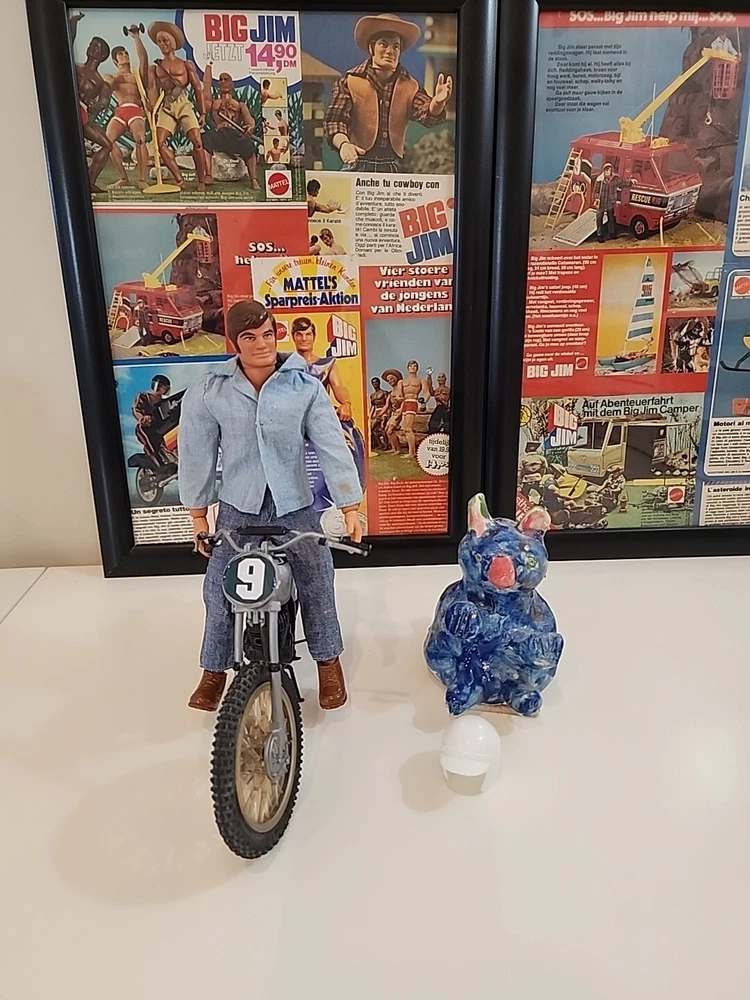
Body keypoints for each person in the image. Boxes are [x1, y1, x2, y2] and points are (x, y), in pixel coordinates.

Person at [179, 301, 363, 713]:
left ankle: (328, 662)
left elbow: (331, 445)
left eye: (267, 334)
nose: (261, 344)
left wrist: (349, 504)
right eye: (249, 337)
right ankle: (214, 669)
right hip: (237, 507)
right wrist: (198, 514)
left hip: (294, 505)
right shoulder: (211, 390)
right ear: (234, 342)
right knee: (218, 587)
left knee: (317, 577)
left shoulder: (305, 387)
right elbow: (196, 452)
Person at [324, 13, 453, 172]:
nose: (390, 51)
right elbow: (335, 121)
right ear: (372, 48)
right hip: (358, 163)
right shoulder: (350, 82)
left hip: (390, 167)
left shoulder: (409, 86)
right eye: (383, 44)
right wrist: (344, 144)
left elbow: (426, 113)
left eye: (396, 46)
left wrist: (437, 103)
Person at [147, 20, 206, 190]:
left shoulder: (185, 64)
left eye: (165, 40)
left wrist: (202, 112)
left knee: (197, 142)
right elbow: (152, 88)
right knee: (159, 143)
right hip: (166, 106)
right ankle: (179, 180)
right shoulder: (155, 67)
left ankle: (201, 181)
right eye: (159, 41)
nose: (162, 44)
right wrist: (153, 107)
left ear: (173, 42)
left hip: (183, 104)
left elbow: (197, 88)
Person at [69, 12, 113, 193]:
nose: (92, 48)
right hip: (68, 110)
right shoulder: (74, 66)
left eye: (97, 47)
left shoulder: (102, 82)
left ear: (102, 55)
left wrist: (98, 105)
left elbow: (103, 101)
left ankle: (90, 182)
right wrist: (74, 21)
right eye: (91, 44)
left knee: (107, 145)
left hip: (82, 114)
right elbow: (68, 41)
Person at [103, 29, 149, 190]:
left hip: (136, 110)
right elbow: (107, 86)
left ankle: (142, 179)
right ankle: (124, 178)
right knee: (107, 142)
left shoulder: (137, 75)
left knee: (140, 138)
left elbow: (143, 58)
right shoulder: (113, 76)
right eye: (120, 54)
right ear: (115, 61)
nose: (124, 55)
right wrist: (113, 79)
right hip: (121, 111)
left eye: (125, 53)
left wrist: (136, 37)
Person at [201, 64, 260, 190]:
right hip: (220, 134)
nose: (223, 82)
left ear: (231, 84)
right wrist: (208, 67)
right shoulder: (214, 104)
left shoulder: (239, 105)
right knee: (205, 138)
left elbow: (249, 119)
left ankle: (253, 179)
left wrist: (250, 127)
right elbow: (206, 90)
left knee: (249, 145)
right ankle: (208, 175)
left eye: (226, 79)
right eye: (220, 80)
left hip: (234, 135)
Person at [388, 360, 432, 457]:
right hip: (405, 403)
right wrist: (399, 398)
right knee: (406, 429)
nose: (412, 367)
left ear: (417, 368)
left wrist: (424, 402)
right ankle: (411, 451)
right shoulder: (402, 382)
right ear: (408, 368)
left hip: (413, 402)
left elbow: (427, 393)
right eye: (411, 366)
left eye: (414, 366)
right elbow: (399, 395)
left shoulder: (421, 380)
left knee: (408, 428)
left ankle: (412, 452)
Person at [133, 374, 175, 467]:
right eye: (159, 386)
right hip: (147, 426)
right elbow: (137, 409)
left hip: (161, 427)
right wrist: (142, 418)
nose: (160, 388)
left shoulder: (166, 402)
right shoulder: (145, 396)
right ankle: (158, 466)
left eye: (163, 387)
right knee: (149, 438)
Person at [595, 163, 624, 242]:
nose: (608, 172)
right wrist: (596, 199)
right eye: (607, 170)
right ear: (604, 171)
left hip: (610, 202)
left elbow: (622, 182)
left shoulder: (614, 179)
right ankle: (599, 235)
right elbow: (596, 191)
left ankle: (612, 233)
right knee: (599, 219)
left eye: (610, 170)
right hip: (601, 202)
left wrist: (631, 181)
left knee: (611, 218)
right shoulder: (600, 180)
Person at [369, 376, 389, 451]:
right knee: (373, 430)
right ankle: (379, 445)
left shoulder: (384, 392)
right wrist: (370, 416)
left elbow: (387, 404)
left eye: (376, 382)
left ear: (379, 383)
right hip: (376, 412)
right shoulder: (372, 395)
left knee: (382, 428)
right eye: (373, 383)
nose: (375, 384)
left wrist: (387, 414)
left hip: (384, 410)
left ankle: (386, 446)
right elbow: (373, 406)